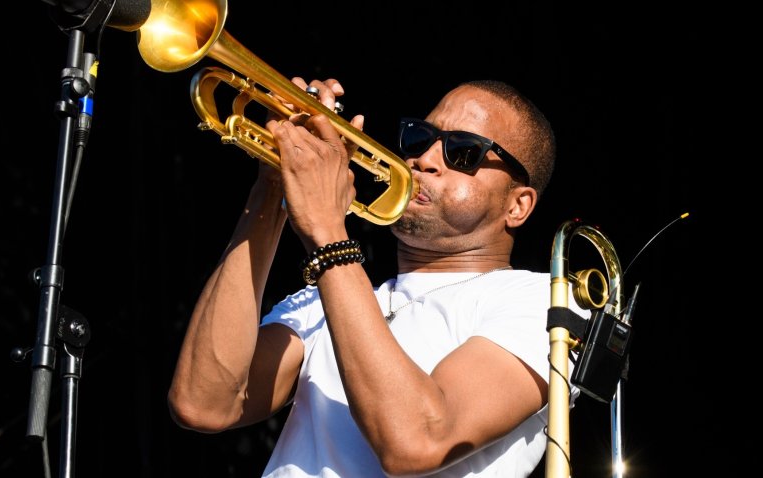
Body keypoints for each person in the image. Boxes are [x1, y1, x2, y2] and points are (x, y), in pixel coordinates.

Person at [167, 77, 591, 477]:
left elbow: (417, 440)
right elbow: (204, 404)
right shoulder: (326, 295)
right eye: (421, 138)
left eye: (463, 151)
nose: (424, 160)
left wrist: (326, 232)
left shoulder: (545, 302)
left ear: (518, 205)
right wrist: (272, 185)